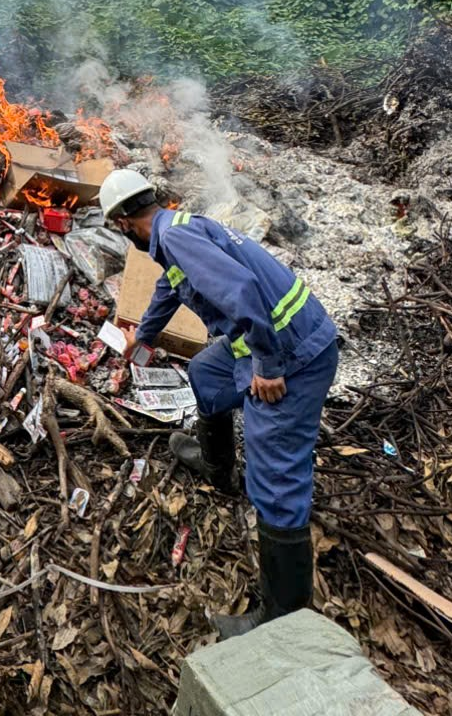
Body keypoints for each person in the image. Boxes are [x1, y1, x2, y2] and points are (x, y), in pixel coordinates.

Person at [99, 168, 338, 638]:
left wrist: (268, 367)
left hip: (291, 355)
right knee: (207, 371)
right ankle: (216, 466)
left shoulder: (179, 239)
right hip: (273, 338)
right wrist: (140, 345)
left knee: (275, 477)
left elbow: (242, 292)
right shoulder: (178, 231)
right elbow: (167, 294)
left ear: (123, 223)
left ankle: (283, 615)